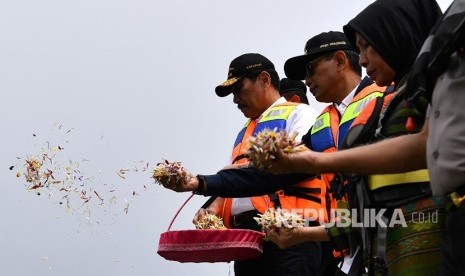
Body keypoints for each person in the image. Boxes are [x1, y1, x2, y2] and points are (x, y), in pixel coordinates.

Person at [256, 0, 444, 275]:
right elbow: (376, 217)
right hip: (383, 257)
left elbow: (424, 147)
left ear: (398, 34)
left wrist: (316, 162)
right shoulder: (392, 104)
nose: (363, 58)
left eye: (368, 45)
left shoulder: (435, 89)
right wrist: (301, 235)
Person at [201, 53, 323, 276]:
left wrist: (234, 172)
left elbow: (300, 161)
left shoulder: (299, 112)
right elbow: (235, 180)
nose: (235, 99)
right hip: (247, 238)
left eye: (239, 89)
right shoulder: (244, 131)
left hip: (289, 232)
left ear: (265, 80)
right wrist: (212, 207)